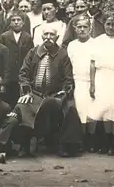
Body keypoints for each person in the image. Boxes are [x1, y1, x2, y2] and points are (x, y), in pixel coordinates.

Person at [14, 24, 82, 157]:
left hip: (55, 94)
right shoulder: (33, 52)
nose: (48, 38)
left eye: (52, 35)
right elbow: (23, 74)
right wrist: (27, 92)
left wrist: (64, 92)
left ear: (57, 37)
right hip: (35, 94)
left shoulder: (62, 55)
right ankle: (25, 145)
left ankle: (65, 145)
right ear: (41, 36)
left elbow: (68, 78)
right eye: (46, 35)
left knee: (70, 109)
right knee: (22, 106)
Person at [87, 12, 114, 155]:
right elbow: (92, 64)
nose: (111, 27)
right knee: (102, 110)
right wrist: (92, 84)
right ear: (103, 24)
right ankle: (105, 142)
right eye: (108, 24)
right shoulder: (97, 40)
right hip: (101, 76)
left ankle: (113, 143)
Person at [66, 15, 94, 151]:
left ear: (90, 28)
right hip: (77, 81)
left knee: (92, 111)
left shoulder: (95, 44)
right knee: (79, 111)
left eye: (85, 27)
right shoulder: (72, 45)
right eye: (79, 27)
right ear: (75, 29)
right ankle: (81, 140)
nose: (82, 29)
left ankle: (92, 139)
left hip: (92, 81)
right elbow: (69, 65)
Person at [0, 10, 34, 107]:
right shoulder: (4, 37)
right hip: (8, 75)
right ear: (10, 23)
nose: (16, 22)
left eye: (19, 20)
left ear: (23, 22)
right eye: (13, 20)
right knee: (7, 98)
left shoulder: (28, 38)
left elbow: (30, 56)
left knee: (20, 99)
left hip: (21, 74)